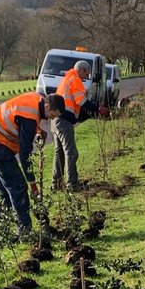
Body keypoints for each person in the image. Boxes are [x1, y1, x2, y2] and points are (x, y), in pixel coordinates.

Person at [0, 92, 65, 235]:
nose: (52, 118)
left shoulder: (38, 101)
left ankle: (1, 229)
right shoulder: (29, 116)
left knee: (4, 188)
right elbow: (25, 153)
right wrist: (32, 183)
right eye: (52, 114)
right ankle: (25, 230)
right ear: (47, 105)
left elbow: (24, 119)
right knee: (18, 186)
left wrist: (37, 130)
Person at [53, 61, 97, 191]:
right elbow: (81, 100)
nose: (86, 77)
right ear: (81, 70)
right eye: (86, 74)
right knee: (71, 153)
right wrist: (96, 108)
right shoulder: (75, 79)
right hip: (64, 120)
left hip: (55, 119)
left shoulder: (66, 78)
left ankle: (56, 184)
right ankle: (72, 185)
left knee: (59, 153)